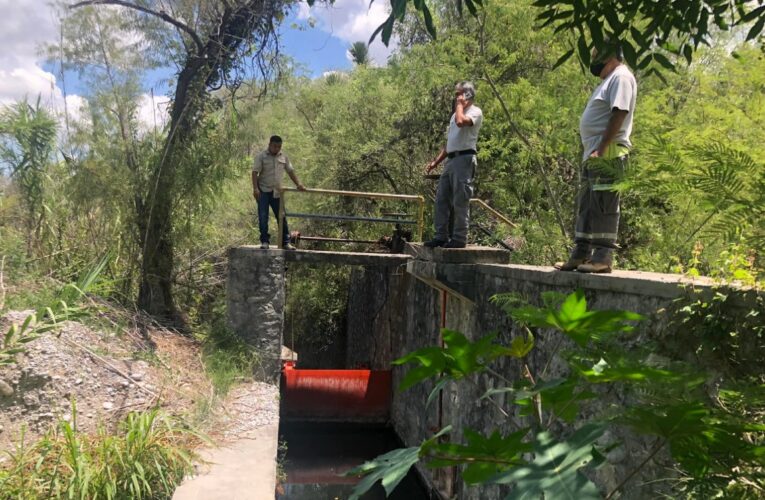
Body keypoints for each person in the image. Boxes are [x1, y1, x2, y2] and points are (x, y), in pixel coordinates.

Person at [556, 40, 637, 273]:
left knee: (604, 205)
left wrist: (601, 148)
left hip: (608, 153)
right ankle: (581, 254)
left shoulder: (621, 76)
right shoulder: (608, 80)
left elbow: (619, 113)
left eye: (596, 56)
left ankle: (602, 258)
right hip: (593, 153)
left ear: (608, 56)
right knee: (587, 206)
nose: (593, 62)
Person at [424, 81, 484, 249]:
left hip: (465, 159)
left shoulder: (475, 112)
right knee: (441, 199)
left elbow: (461, 122)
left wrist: (459, 105)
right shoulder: (454, 115)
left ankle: (459, 238)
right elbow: (450, 143)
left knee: (460, 200)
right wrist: (435, 162)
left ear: (468, 94)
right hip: (451, 160)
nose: (456, 97)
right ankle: (440, 237)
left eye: (459, 94)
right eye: (456, 94)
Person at [252, 135, 306, 250]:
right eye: (275, 146)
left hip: (277, 192)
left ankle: (285, 242)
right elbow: (254, 172)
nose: (277, 149)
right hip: (263, 191)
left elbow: (290, 171)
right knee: (263, 216)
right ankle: (265, 241)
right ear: (269, 145)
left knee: (282, 217)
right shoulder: (261, 156)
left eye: (279, 147)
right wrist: (255, 189)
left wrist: (298, 184)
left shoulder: (284, 157)